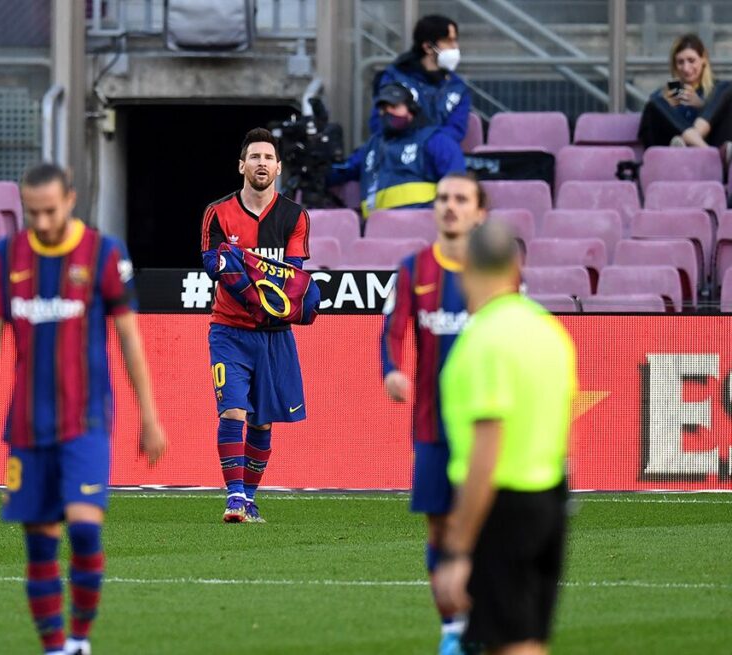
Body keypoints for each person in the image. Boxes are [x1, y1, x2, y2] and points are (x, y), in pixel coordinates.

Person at [0, 163, 167, 655]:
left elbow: (129, 338)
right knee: (40, 545)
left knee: (86, 531)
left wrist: (149, 415)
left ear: (71, 199)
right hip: (28, 426)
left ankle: (80, 639)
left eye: (50, 211)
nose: (43, 222)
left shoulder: (103, 253)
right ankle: (56, 648)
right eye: (32, 213)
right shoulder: (5, 255)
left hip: (86, 421)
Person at [434, 221, 576, 655]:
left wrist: (457, 550)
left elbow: (487, 450)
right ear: (517, 267)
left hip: (501, 507)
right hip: (550, 502)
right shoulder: (548, 330)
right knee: (527, 638)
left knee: (507, 642)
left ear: (465, 267)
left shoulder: (484, 341)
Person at [381, 172, 487, 655]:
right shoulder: (413, 268)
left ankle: (481, 618)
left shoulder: (495, 272)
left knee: (481, 526)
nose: (450, 205)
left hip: (484, 425)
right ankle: (451, 628)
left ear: (479, 212)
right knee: (439, 527)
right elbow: (392, 329)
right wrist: (391, 370)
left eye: (461, 198)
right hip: (431, 425)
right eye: (443, 197)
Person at [200, 127, 311, 523]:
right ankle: (233, 498)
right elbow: (213, 264)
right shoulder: (217, 212)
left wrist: (242, 265)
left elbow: (292, 277)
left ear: (278, 167)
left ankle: (249, 498)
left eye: (268, 158)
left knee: (261, 420)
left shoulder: (295, 216)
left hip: (274, 334)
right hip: (228, 330)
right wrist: (256, 287)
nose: (261, 163)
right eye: (255, 157)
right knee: (231, 411)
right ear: (241, 165)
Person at [329, 83, 467, 218]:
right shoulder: (372, 146)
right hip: (375, 228)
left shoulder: (436, 141)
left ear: (411, 110)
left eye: (394, 107)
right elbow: (341, 171)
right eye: (383, 109)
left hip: (423, 225)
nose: (387, 112)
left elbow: (457, 185)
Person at [369, 14, 471, 144]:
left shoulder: (457, 87)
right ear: (428, 47)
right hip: (397, 152)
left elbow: (456, 130)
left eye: (455, 40)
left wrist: (429, 144)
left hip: (439, 152)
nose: (455, 47)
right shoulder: (394, 78)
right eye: (448, 41)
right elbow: (380, 124)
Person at [638, 33, 732, 156]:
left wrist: (701, 106)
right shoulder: (668, 93)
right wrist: (670, 107)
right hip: (674, 151)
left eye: (691, 60)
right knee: (656, 103)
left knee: (727, 88)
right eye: (680, 62)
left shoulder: (717, 90)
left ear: (703, 59)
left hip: (712, 141)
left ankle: (696, 144)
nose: (686, 68)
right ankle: (709, 153)